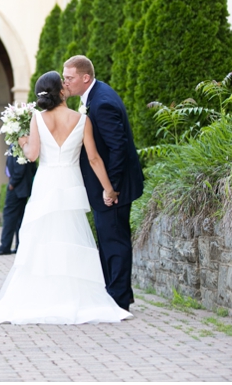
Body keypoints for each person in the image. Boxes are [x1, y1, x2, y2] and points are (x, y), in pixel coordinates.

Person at [0, 71, 132, 324]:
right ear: (61, 92)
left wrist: (21, 139)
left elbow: (32, 155)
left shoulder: (38, 119)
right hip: (71, 183)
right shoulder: (82, 119)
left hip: (47, 182)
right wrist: (108, 188)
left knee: (43, 238)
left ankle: (44, 296)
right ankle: (74, 295)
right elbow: (94, 159)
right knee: (71, 235)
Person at [63, 55, 144, 311]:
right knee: (109, 240)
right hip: (105, 185)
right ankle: (119, 292)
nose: (65, 82)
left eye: (70, 78)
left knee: (114, 241)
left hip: (112, 187)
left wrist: (112, 188)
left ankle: (118, 299)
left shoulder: (102, 103)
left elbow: (117, 147)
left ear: (85, 78)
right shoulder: (93, 97)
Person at [0, 146, 36, 255]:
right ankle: (20, 246)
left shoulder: (19, 145)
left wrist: (12, 184)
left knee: (9, 217)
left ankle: (5, 246)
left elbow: (20, 168)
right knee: (19, 218)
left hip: (17, 188)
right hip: (23, 187)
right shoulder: (22, 144)